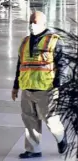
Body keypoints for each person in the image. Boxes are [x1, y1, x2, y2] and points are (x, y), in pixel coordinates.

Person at [11, 11, 68, 159]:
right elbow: (20, 65)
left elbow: (62, 65)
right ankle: (33, 149)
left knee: (50, 120)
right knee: (29, 120)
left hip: (46, 89)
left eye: (35, 22)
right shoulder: (25, 42)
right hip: (27, 88)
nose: (31, 25)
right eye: (30, 22)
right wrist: (15, 86)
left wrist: (58, 87)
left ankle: (61, 138)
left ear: (43, 24)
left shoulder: (54, 41)